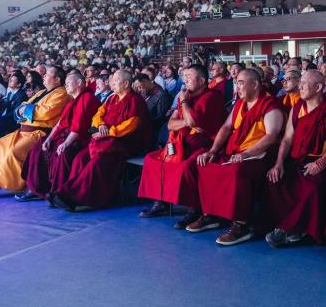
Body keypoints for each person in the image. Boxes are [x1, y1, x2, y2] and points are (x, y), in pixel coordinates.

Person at [190, 69, 284, 246]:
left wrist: (246, 154)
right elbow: (226, 128)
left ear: (255, 85)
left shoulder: (270, 105)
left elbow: (271, 136)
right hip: (236, 152)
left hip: (258, 156)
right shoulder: (240, 104)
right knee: (206, 165)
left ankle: (241, 224)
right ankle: (211, 215)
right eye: (236, 82)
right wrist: (212, 151)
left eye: (241, 82)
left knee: (236, 172)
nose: (237, 86)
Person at [137, 65, 227, 228]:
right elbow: (171, 124)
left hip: (204, 145)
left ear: (201, 80)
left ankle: (194, 209)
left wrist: (184, 103)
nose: (184, 79)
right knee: (152, 159)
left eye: (189, 76)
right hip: (180, 143)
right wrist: (186, 121)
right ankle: (161, 202)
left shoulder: (211, 97)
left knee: (187, 167)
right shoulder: (185, 96)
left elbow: (196, 122)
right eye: (183, 76)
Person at [263, 70, 326, 246]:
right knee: (275, 180)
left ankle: (289, 229)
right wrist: (279, 163)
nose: (300, 87)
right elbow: (287, 138)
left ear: (318, 87)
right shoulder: (297, 107)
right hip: (296, 160)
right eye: (300, 83)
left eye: (304, 84)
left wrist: (320, 163)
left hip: (320, 161)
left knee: (312, 187)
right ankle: (293, 228)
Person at [52, 70, 152, 210]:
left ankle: (75, 197)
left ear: (126, 83)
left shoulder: (135, 100)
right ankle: (69, 192)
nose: (112, 83)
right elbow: (97, 115)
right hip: (104, 139)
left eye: (116, 80)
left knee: (97, 162)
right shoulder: (111, 98)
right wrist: (101, 126)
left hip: (124, 142)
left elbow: (132, 124)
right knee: (80, 158)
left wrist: (108, 132)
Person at [0, 66, 70, 198]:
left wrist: (25, 110)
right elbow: (23, 105)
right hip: (23, 130)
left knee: (14, 153)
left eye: (48, 74)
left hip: (39, 133)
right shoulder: (43, 92)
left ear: (57, 79)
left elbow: (45, 112)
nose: (44, 76)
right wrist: (25, 109)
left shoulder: (62, 94)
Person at [18, 71, 101, 202]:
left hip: (79, 139)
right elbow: (59, 124)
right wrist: (50, 139)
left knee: (63, 154)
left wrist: (65, 143)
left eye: (68, 83)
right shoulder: (72, 101)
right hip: (64, 136)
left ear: (79, 83)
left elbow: (78, 127)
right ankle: (37, 189)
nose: (66, 85)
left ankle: (58, 193)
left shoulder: (87, 98)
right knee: (38, 148)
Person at [0, 72, 27, 140]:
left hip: (15, 120)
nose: (9, 81)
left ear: (18, 84)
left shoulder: (21, 95)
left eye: (12, 81)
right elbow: (5, 108)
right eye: (10, 79)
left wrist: (0, 117)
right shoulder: (10, 93)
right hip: (7, 117)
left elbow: (15, 112)